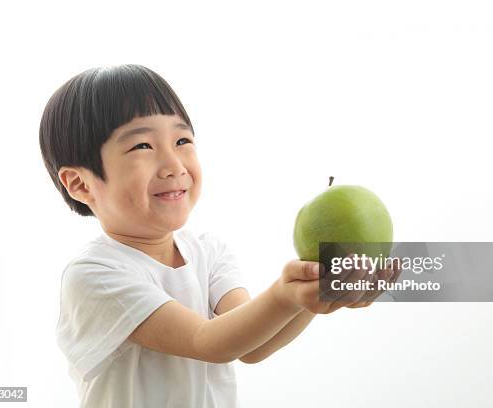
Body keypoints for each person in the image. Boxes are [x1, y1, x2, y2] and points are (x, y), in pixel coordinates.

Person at [39, 64, 395, 408]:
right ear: (80, 184)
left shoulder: (207, 251)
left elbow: (253, 345)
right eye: (142, 147)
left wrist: (312, 292)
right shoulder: (94, 276)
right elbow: (206, 340)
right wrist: (288, 294)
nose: (175, 165)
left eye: (182, 140)